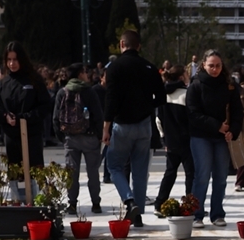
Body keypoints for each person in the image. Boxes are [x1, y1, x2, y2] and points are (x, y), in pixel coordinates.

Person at [101, 30, 166, 228]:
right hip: (144, 124)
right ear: (139, 46)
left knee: (114, 166)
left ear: (122, 44)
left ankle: (129, 201)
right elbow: (161, 98)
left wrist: (106, 126)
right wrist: (146, 104)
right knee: (140, 170)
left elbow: (110, 99)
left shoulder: (114, 68)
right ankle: (138, 214)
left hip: (122, 124)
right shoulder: (149, 67)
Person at [187, 49, 243, 229]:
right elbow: (192, 114)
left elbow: (237, 112)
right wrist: (216, 125)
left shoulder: (229, 85)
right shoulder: (196, 85)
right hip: (201, 136)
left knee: (220, 177)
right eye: (211, 65)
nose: (215, 69)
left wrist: (232, 131)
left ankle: (217, 214)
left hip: (222, 138)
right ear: (204, 65)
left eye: (218, 65)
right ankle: (197, 214)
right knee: (202, 176)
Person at [0, 41, 53, 197]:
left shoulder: (34, 80)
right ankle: (17, 201)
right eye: (9, 60)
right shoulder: (3, 83)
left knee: (34, 170)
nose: (12, 64)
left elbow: (44, 106)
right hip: (11, 135)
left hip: (31, 134)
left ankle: (37, 200)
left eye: (15, 59)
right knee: (15, 171)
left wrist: (24, 118)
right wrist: (5, 117)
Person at [52, 63, 103, 215]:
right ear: (80, 74)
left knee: (72, 172)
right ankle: (95, 203)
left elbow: (55, 117)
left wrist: (62, 136)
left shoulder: (63, 92)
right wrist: (99, 135)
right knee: (93, 171)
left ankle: (72, 203)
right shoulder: (89, 91)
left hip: (70, 137)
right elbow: (98, 115)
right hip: (89, 137)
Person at [154, 66, 194, 215]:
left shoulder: (163, 94)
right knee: (191, 174)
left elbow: (158, 120)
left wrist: (164, 139)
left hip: (170, 141)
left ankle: (159, 204)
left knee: (170, 172)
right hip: (187, 141)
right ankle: (190, 206)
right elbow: (192, 119)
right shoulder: (186, 94)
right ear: (182, 77)